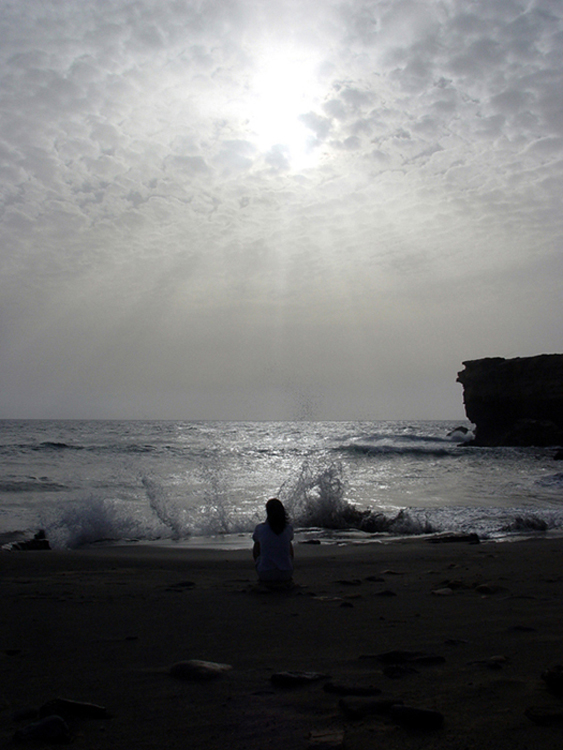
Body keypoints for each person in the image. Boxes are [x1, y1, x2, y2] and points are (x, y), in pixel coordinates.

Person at [252, 498, 294, 582]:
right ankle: (286, 564)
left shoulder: (260, 528)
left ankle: (263, 567)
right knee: (288, 544)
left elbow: (256, 548)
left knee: (257, 544)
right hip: (286, 573)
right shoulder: (288, 528)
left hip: (266, 574)